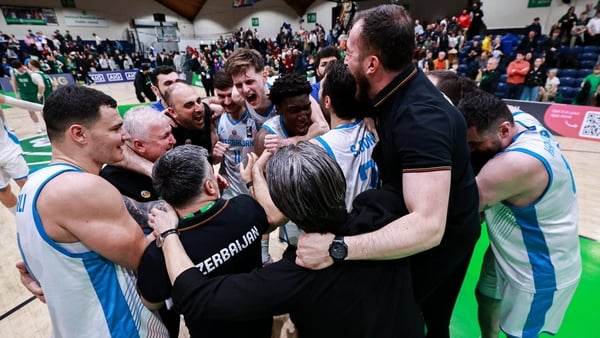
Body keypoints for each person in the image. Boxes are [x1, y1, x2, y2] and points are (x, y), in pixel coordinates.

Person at [296, 6, 481, 338]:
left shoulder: (421, 119)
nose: (344, 60)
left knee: (405, 316)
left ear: (371, 64)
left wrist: (338, 248)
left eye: (349, 53)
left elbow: (427, 227)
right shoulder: (395, 86)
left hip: (442, 240)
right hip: (440, 221)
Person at [147, 142, 425, 338]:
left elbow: (197, 298)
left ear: (285, 209)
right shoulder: (384, 208)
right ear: (337, 176)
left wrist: (169, 232)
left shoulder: (294, 275)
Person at [16, 85, 168, 337]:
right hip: (120, 328)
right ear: (79, 134)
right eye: (115, 128)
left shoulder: (35, 183)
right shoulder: (83, 187)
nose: (126, 137)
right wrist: (186, 205)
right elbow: (147, 259)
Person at [458, 90, 581, 338]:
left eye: (474, 144)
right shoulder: (517, 119)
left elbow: (459, 210)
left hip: (540, 266)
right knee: (485, 294)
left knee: (519, 334)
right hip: (510, 245)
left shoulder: (514, 165)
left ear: (504, 131)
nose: (469, 150)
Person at [136, 145, 275, 338]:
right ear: (210, 186)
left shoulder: (160, 253)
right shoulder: (245, 208)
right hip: (259, 323)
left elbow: (152, 302)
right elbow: (269, 221)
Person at [254, 72, 314, 246]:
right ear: (278, 110)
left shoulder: (317, 122)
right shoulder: (265, 138)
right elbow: (265, 189)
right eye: (294, 110)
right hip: (289, 207)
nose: (303, 115)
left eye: (306, 107)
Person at [312, 60, 378, 210]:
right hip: (378, 217)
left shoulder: (319, 147)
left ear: (327, 101)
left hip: (349, 228)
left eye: (321, 87)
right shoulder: (371, 126)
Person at [162, 81, 217, 155]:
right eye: (189, 105)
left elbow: (210, 100)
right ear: (172, 112)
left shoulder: (205, 110)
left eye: (198, 101)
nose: (199, 109)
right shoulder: (165, 132)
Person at [0, 115, 28, 215]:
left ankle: (42, 218)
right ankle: (20, 218)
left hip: (8, 149)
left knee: (27, 185)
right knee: (3, 192)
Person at [9, 60, 44, 133]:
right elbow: (14, 82)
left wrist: (27, 70)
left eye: (20, 68)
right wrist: (16, 93)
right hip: (24, 93)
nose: (20, 70)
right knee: (30, 110)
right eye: (18, 69)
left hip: (34, 92)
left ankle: (48, 125)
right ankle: (37, 126)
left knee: (42, 109)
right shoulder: (13, 72)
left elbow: (35, 77)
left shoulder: (28, 70)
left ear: (22, 66)